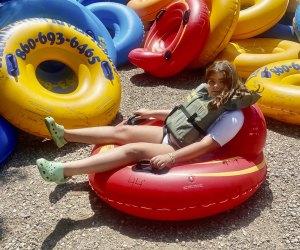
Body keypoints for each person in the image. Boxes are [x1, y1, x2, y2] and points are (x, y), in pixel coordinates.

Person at [36, 60, 261, 184]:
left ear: (230, 83)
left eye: (220, 83)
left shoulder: (233, 116)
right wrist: (150, 113)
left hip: (182, 147)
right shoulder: (207, 96)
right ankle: (64, 135)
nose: (214, 87)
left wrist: (170, 156)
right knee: (120, 132)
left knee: (132, 149)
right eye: (211, 81)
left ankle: (63, 172)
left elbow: (206, 145)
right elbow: (181, 114)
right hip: (171, 134)